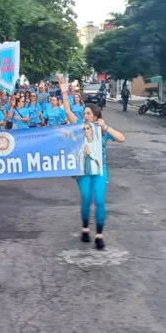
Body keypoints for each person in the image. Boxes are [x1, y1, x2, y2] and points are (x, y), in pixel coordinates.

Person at [61, 81, 125, 251]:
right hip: (83, 169)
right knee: (87, 199)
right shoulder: (79, 127)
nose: (86, 116)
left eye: (89, 113)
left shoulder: (102, 131)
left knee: (99, 201)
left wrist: (106, 126)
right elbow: (67, 111)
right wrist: (64, 93)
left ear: (96, 116)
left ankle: (99, 235)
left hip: (99, 169)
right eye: (84, 113)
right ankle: (85, 228)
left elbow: (121, 138)